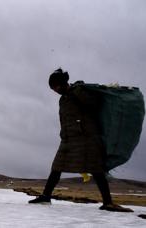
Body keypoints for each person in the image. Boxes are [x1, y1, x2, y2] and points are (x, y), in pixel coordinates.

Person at [28, 68, 133, 212]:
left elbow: (95, 105)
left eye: (55, 87)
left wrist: (78, 92)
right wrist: (63, 133)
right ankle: (46, 196)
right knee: (56, 167)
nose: (55, 90)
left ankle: (108, 202)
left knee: (96, 169)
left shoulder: (80, 92)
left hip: (87, 138)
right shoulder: (63, 99)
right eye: (53, 88)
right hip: (68, 139)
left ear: (63, 83)